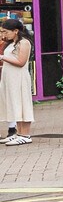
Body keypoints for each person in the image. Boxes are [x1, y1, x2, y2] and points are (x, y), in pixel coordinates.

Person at [0, 17, 33, 145]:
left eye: (6, 32)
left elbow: (21, 62)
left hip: (19, 77)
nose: (4, 34)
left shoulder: (24, 43)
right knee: (14, 104)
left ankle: (25, 134)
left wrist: (2, 57)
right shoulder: (11, 44)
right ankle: (18, 133)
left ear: (15, 31)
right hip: (9, 78)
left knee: (22, 103)